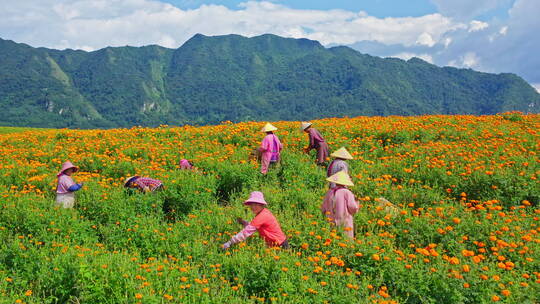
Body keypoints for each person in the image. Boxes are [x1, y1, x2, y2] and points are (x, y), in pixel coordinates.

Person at [222, 191, 289, 250]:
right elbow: (254, 227)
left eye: (256, 204)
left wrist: (230, 242)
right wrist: (244, 222)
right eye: (252, 204)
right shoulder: (264, 213)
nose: (253, 207)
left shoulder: (262, 216)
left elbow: (246, 232)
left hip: (280, 244)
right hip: (276, 244)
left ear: (262, 205)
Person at [321, 171, 359, 239]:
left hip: (330, 220)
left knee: (332, 238)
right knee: (345, 238)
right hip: (344, 220)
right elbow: (352, 208)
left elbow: (323, 208)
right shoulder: (347, 192)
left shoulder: (329, 192)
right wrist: (357, 203)